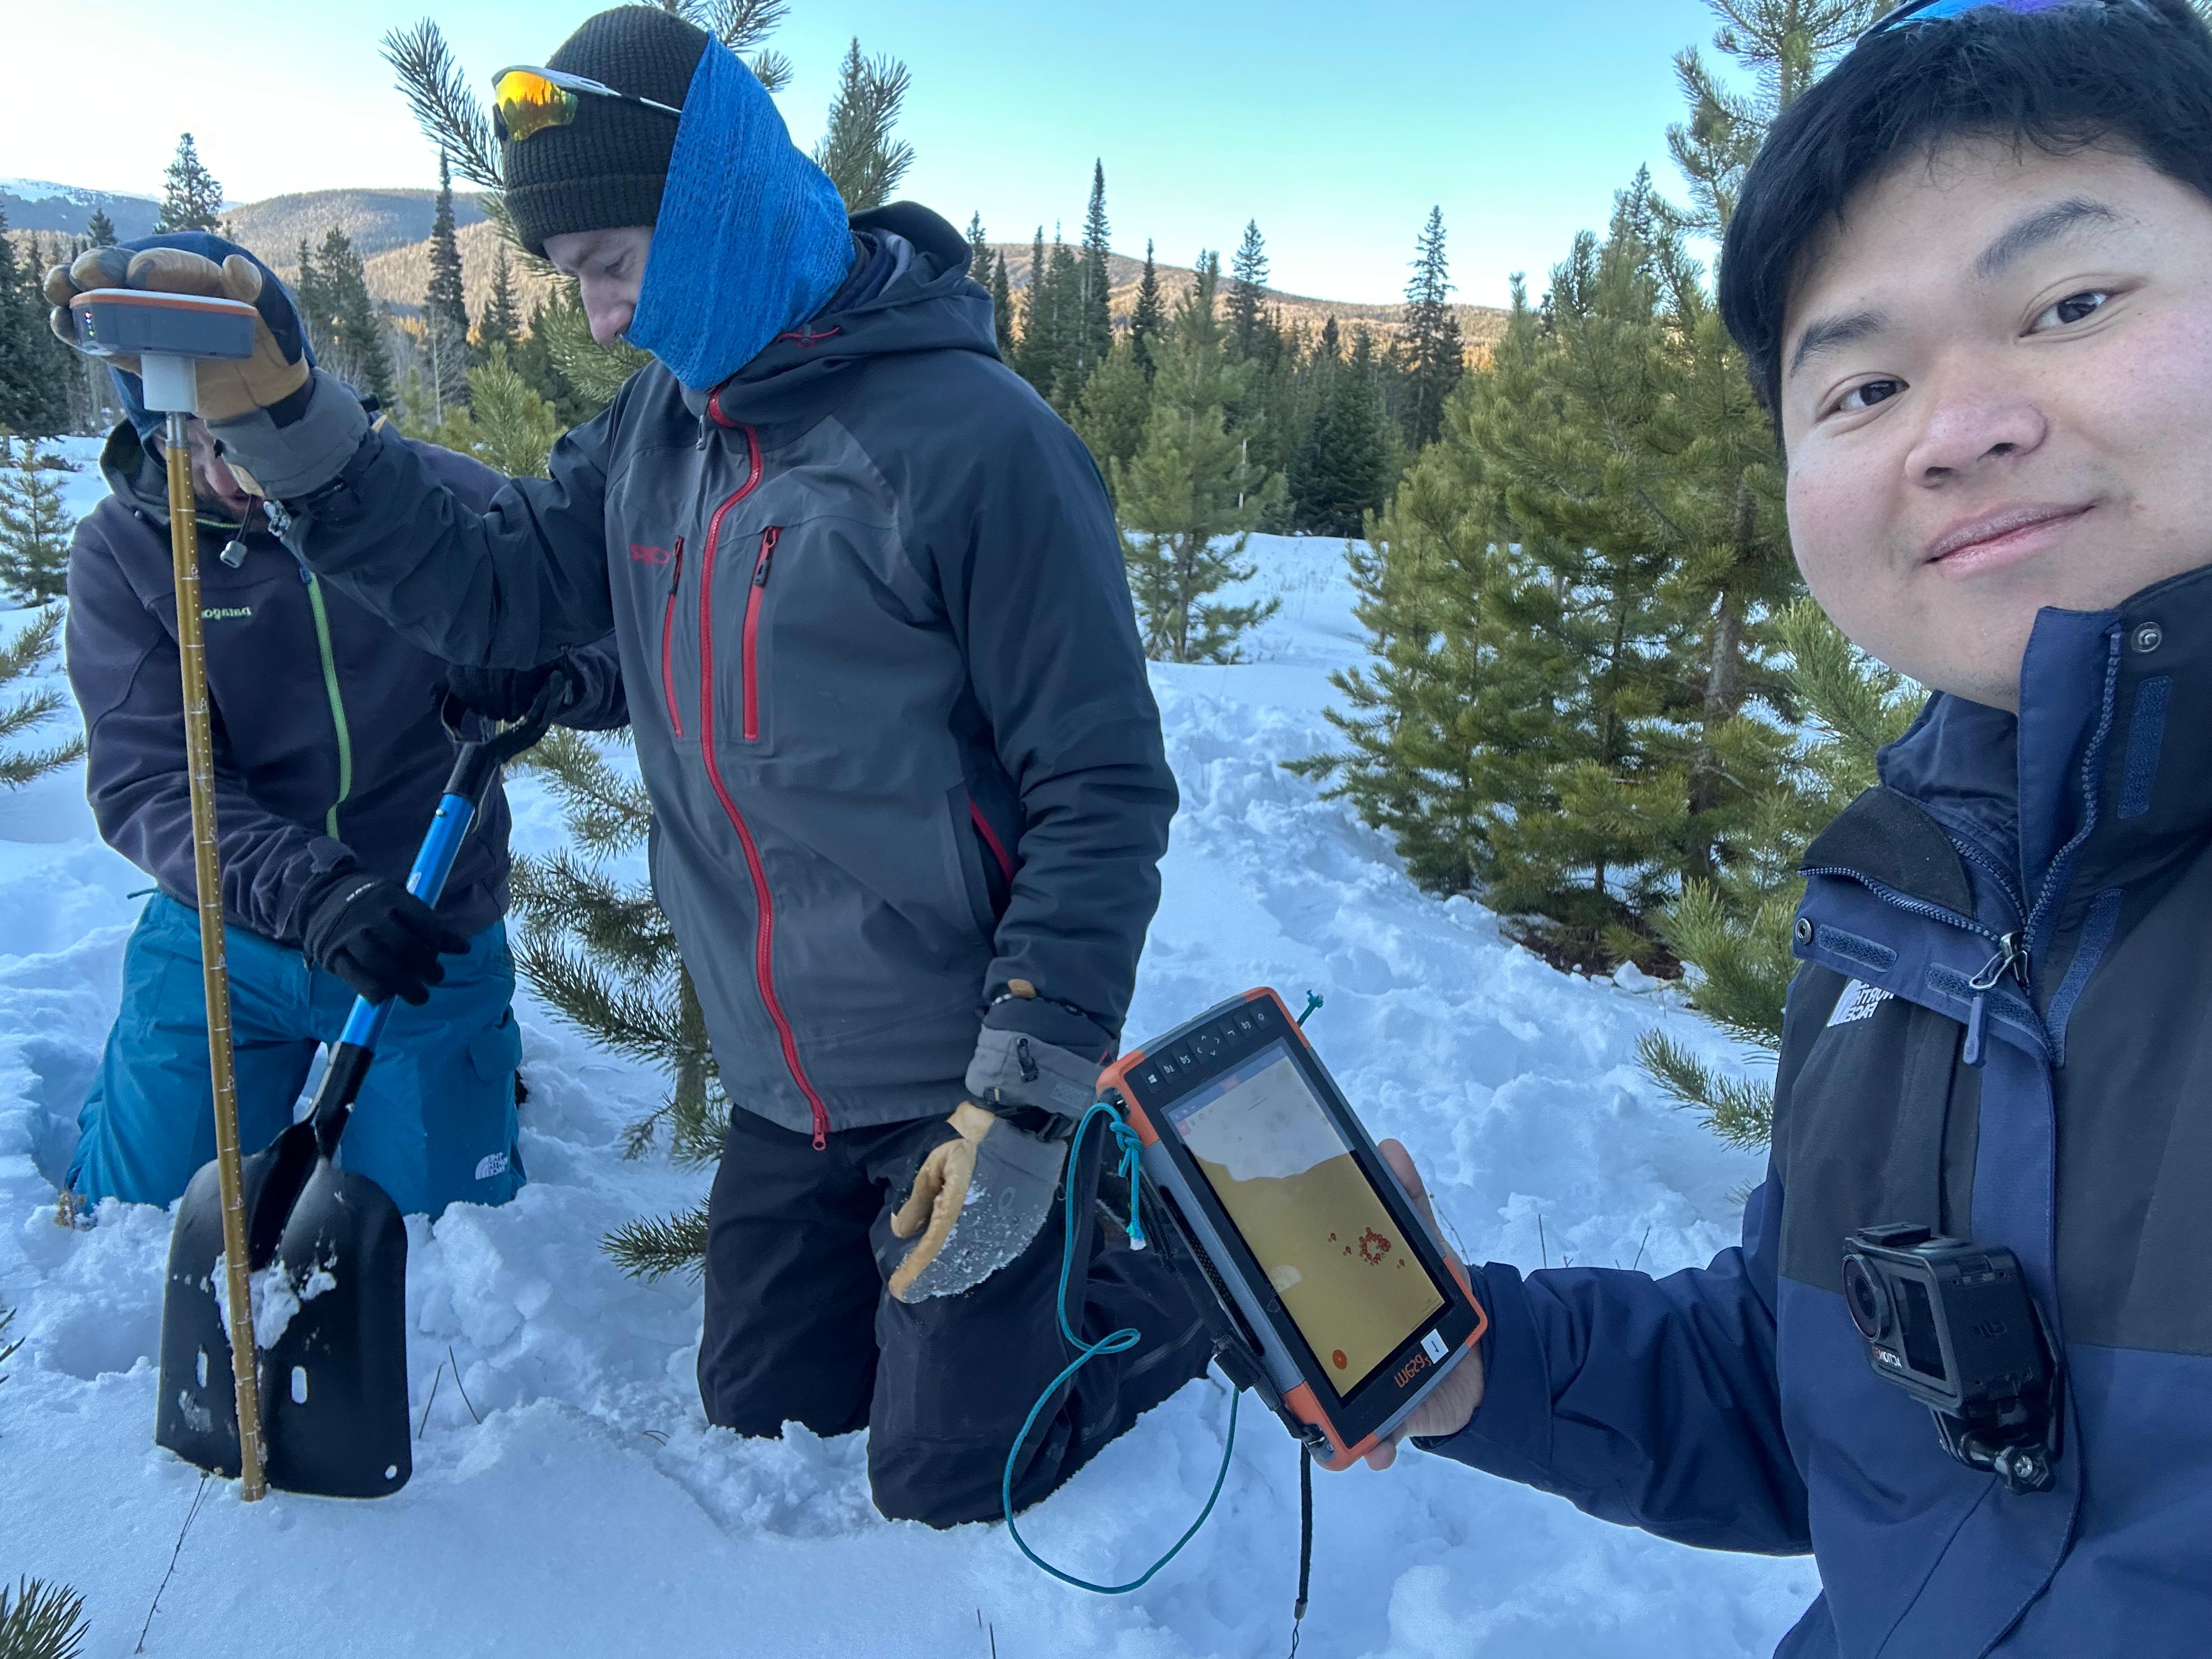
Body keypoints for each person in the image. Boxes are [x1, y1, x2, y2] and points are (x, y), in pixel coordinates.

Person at [47, 12, 1209, 1526]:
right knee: (769, 1402)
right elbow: (500, 585)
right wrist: (287, 423)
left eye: (610, 260)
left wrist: (1029, 1096)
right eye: (575, 274)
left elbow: (1102, 787)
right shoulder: (667, 423)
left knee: (943, 1475)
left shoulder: (976, 445)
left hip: (957, 1064)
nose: (598, 317)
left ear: (715, 205)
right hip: (785, 1081)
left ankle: (1158, 1268)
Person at [1352, 2, 2212, 1653]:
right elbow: (1819, 1394)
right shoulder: (1902, 905)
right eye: (1867, 382)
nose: (1961, 429)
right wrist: (1479, 1362)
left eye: (2072, 302)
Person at [57, 232, 625, 1222]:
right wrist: (313, 893)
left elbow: (621, 652)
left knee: (440, 1226)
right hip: (228, 929)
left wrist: (545, 672)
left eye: (240, 437)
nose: (228, 475)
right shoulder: (128, 554)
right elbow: (151, 783)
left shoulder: (438, 502)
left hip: (425, 929)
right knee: (139, 1212)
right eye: (187, 444)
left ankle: (469, 1079)